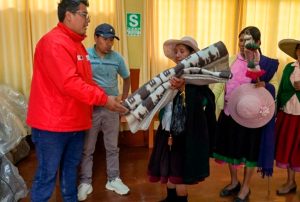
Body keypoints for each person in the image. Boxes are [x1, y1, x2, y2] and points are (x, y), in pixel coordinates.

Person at [26, 1, 128, 201]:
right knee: (47, 175)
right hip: (52, 125)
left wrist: (109, 98)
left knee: (70, 171)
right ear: (68, 16)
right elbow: (69, 83)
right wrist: (104, 99)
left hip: (75, 122)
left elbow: (86, 82)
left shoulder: (77, 45)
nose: (88, 20)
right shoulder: (54, 42)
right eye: (84, 14)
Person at [212, 26, 279, 202]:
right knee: (230, 151)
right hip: (228, 114)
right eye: (241, 40)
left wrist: (266, 86)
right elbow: (220, 84)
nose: (243, 44)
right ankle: (234, 182)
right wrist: (212, 101)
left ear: (258, 43)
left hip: (252, 119)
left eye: (248, 40)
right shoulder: (231, 60)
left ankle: (246, 187)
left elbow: (276, 87)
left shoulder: (266, 64)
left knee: (249, 154)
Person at [147, 36, 216, 202]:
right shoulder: (171, 75)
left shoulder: (198, 77)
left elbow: (205, 100)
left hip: (185, 134)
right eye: (176, 52)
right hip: (167, 130)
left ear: (191, 55)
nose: (178, 55)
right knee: (168, 167)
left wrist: (184, 87)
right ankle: (170, 198)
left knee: (180, 172)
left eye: (182, 51)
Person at [77, 23, 131, 201]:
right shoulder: (85, 55)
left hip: (111, 108)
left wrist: (123, 99)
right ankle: (85, 182)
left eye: (111, 40)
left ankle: (113, 179)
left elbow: (127, 77)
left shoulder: (117, 58)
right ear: (96, 38)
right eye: (105, 39)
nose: (109, 43)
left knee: (112, 147)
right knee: (88, 148)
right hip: (91, 107)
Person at [275, 39, 300, 195]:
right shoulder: (289, 68)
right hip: (289, 114)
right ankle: (291, 182)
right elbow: (282, 89)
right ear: (296, 52)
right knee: (290, 147)